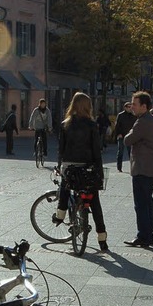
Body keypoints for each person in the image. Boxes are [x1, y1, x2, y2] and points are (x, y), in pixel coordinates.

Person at [53, 92, 108, 251]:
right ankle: (102, 238)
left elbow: (61, 149)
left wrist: (59, 165)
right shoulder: (92, 125)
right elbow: (96, 150)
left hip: (69, 164)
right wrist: (99, 171)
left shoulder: (65, 124)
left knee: (65, 187)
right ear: (88, 107)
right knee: (94, 201)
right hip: (87, 166)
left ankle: (60, 216)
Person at [123, 91, 153, 248]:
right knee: (147, 202)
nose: (132, 107)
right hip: (150, 166)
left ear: (144, 106)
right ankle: (148, 234)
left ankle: (143, 236)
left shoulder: (142, 122)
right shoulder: (152, 119)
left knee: (141, 204)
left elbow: (127, 140)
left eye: (135, 104)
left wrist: (129, 133)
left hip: (142, 168)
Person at [113, 102, 136, 172]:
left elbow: (135, 126)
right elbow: (117, 126)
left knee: (131, 153)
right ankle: (119, 167)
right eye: (128, 107)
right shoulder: (121, 115)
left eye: (130, 107)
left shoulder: (133, 115)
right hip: (121, 136)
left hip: (129, 136)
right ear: (125, 107)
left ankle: (133, 167)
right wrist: (118, 134)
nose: (130, 108)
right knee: (120, 152)